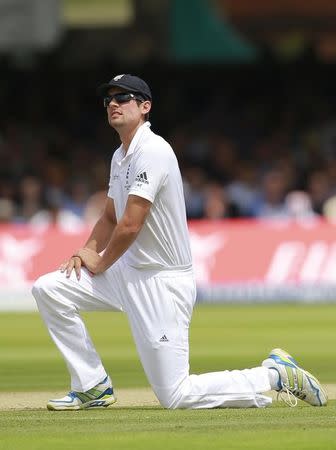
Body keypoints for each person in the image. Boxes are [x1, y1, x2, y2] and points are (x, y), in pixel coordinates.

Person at [32, 74, 327, 410]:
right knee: (49, 289)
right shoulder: (120, 156)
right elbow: (111, 217)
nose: (113, 104)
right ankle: (91, 385)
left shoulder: (154, 151)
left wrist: (99, 261)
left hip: (162, 280)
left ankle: (273, 376)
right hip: (127, 270)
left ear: (145, 107)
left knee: (176, 395)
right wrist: (87, 249)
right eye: (108, 99)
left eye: (123, 97)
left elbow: (130, 225)